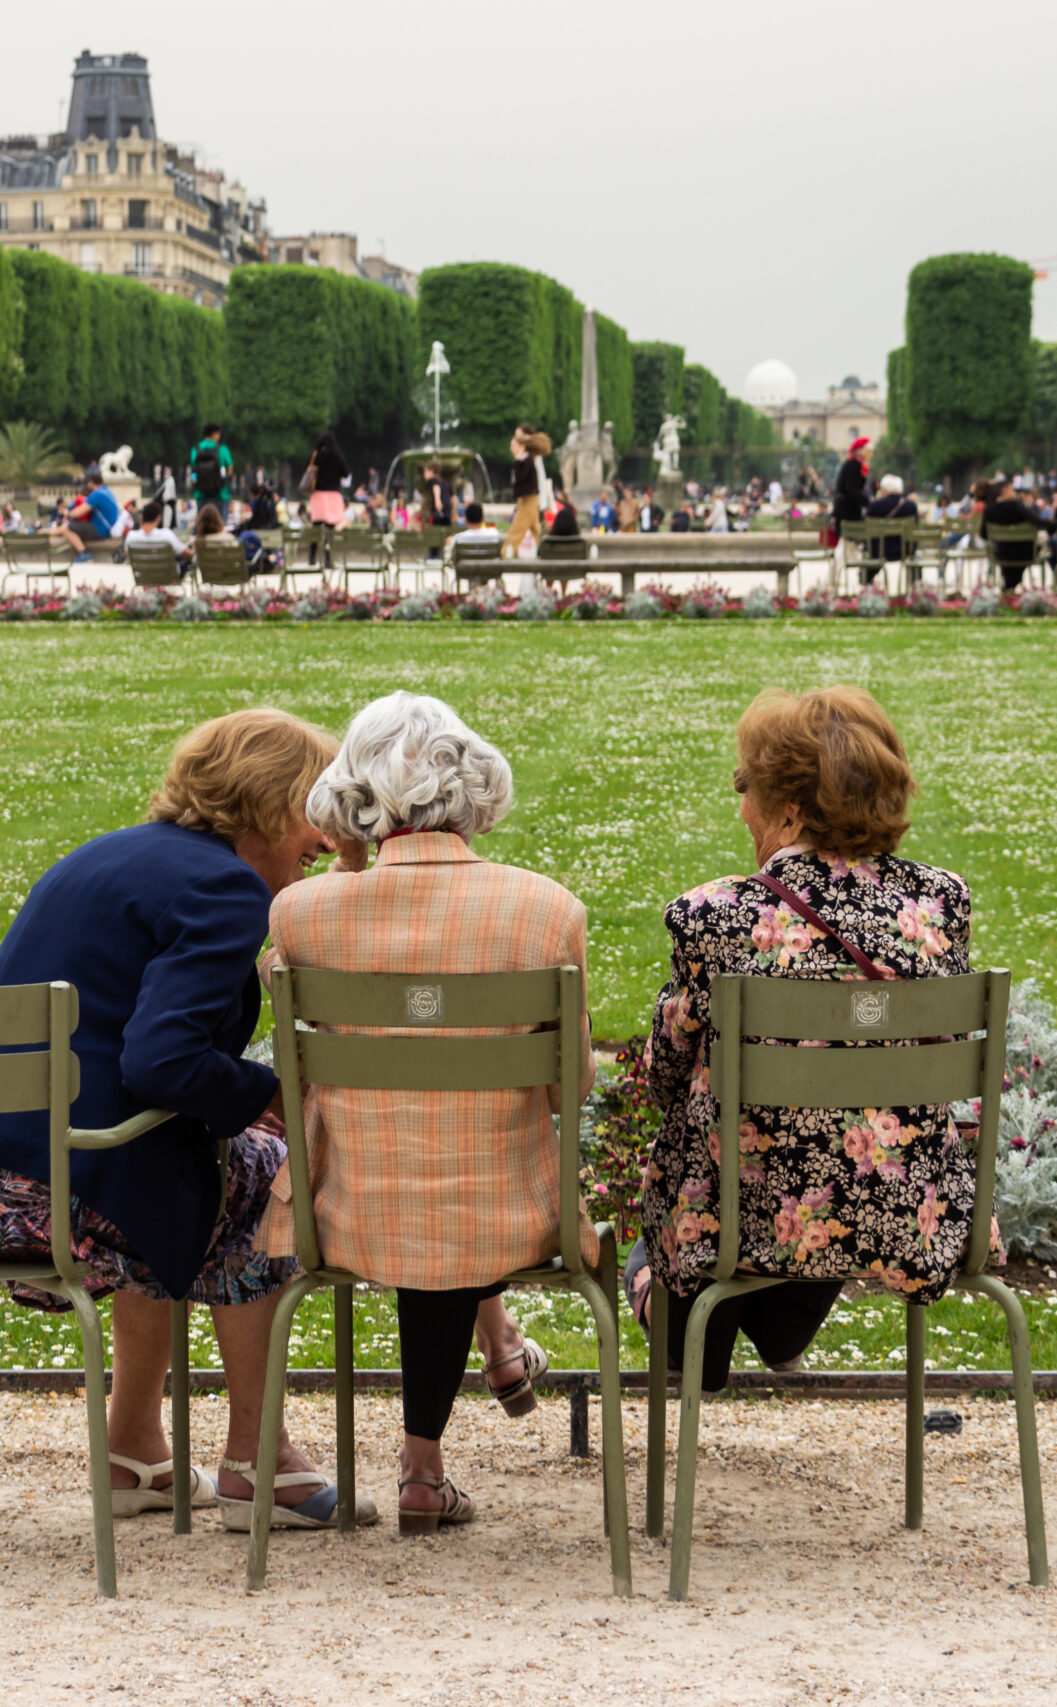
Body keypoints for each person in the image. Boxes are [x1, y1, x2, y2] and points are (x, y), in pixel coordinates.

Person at [0, 710, 374, 1531]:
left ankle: (132, 1451)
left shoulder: (106, 854)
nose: (323, 830)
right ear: (268, 803)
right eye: (312, 806)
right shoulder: (226, 888)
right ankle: (261, 1460)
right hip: (29, 1186)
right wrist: (274, 1094)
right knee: (259, 1176)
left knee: (179, 1166)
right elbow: (160, 1062)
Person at [263, 693, 582, 1532]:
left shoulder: (299, 915)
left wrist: (343, 861)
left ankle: (426, 1462)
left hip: (350, 1213)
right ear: (473, 781)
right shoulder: (547, 909)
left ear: (355, 793)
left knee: (427, 1184)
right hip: (510, 1214)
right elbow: (572, 1085)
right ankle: (433, 1448)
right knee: (461, 1174)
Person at [626, 686, 976, 1396]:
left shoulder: (714, 914)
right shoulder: (939, 904)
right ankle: (773, 1326)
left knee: (676, 1218)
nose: (741, 806)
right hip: (906, 1218)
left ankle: (674, 1313)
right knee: (827, 1147)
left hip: (740, 1226)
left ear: (789, 810)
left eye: (746, 788)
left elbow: (661, 1079)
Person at [984, 474, 1041, 591]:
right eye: (1011, 488)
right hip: (1025, 553)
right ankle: (1011, 586)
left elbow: (983, 534)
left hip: (1001, 553)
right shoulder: (1017, 507)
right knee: (1032, 547)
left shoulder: (989, 510)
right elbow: (1038, 521)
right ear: (1004, 490)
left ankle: (1009, 587)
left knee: (1006, 548)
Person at [501, 426, 549, 558]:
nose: (511, 448)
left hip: (528, 498)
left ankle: (506, 554)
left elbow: (521, 479)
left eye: (513, 445)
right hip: (529, 497)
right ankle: (539, 551)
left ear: (521, 446)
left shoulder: (526, 460)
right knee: (535, 528)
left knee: (518, 528)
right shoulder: (527, 459)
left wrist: (517, 461)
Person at [831, 437, 870, 556]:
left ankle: (867, 573)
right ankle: (868, 573)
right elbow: (852, 490)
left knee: (847, 547)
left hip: (845, 511)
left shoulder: (851, 464)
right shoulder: (854, 465)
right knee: (847, 546)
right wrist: (869, 502)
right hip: (848, 513)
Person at [188, 424, 233, 511]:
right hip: (220, 494)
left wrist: (195, 485)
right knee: (220, 523)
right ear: (215, 434)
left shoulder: (195, 450)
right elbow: (229, 470)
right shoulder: (222, 449)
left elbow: (194, 472)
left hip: (200, 493)